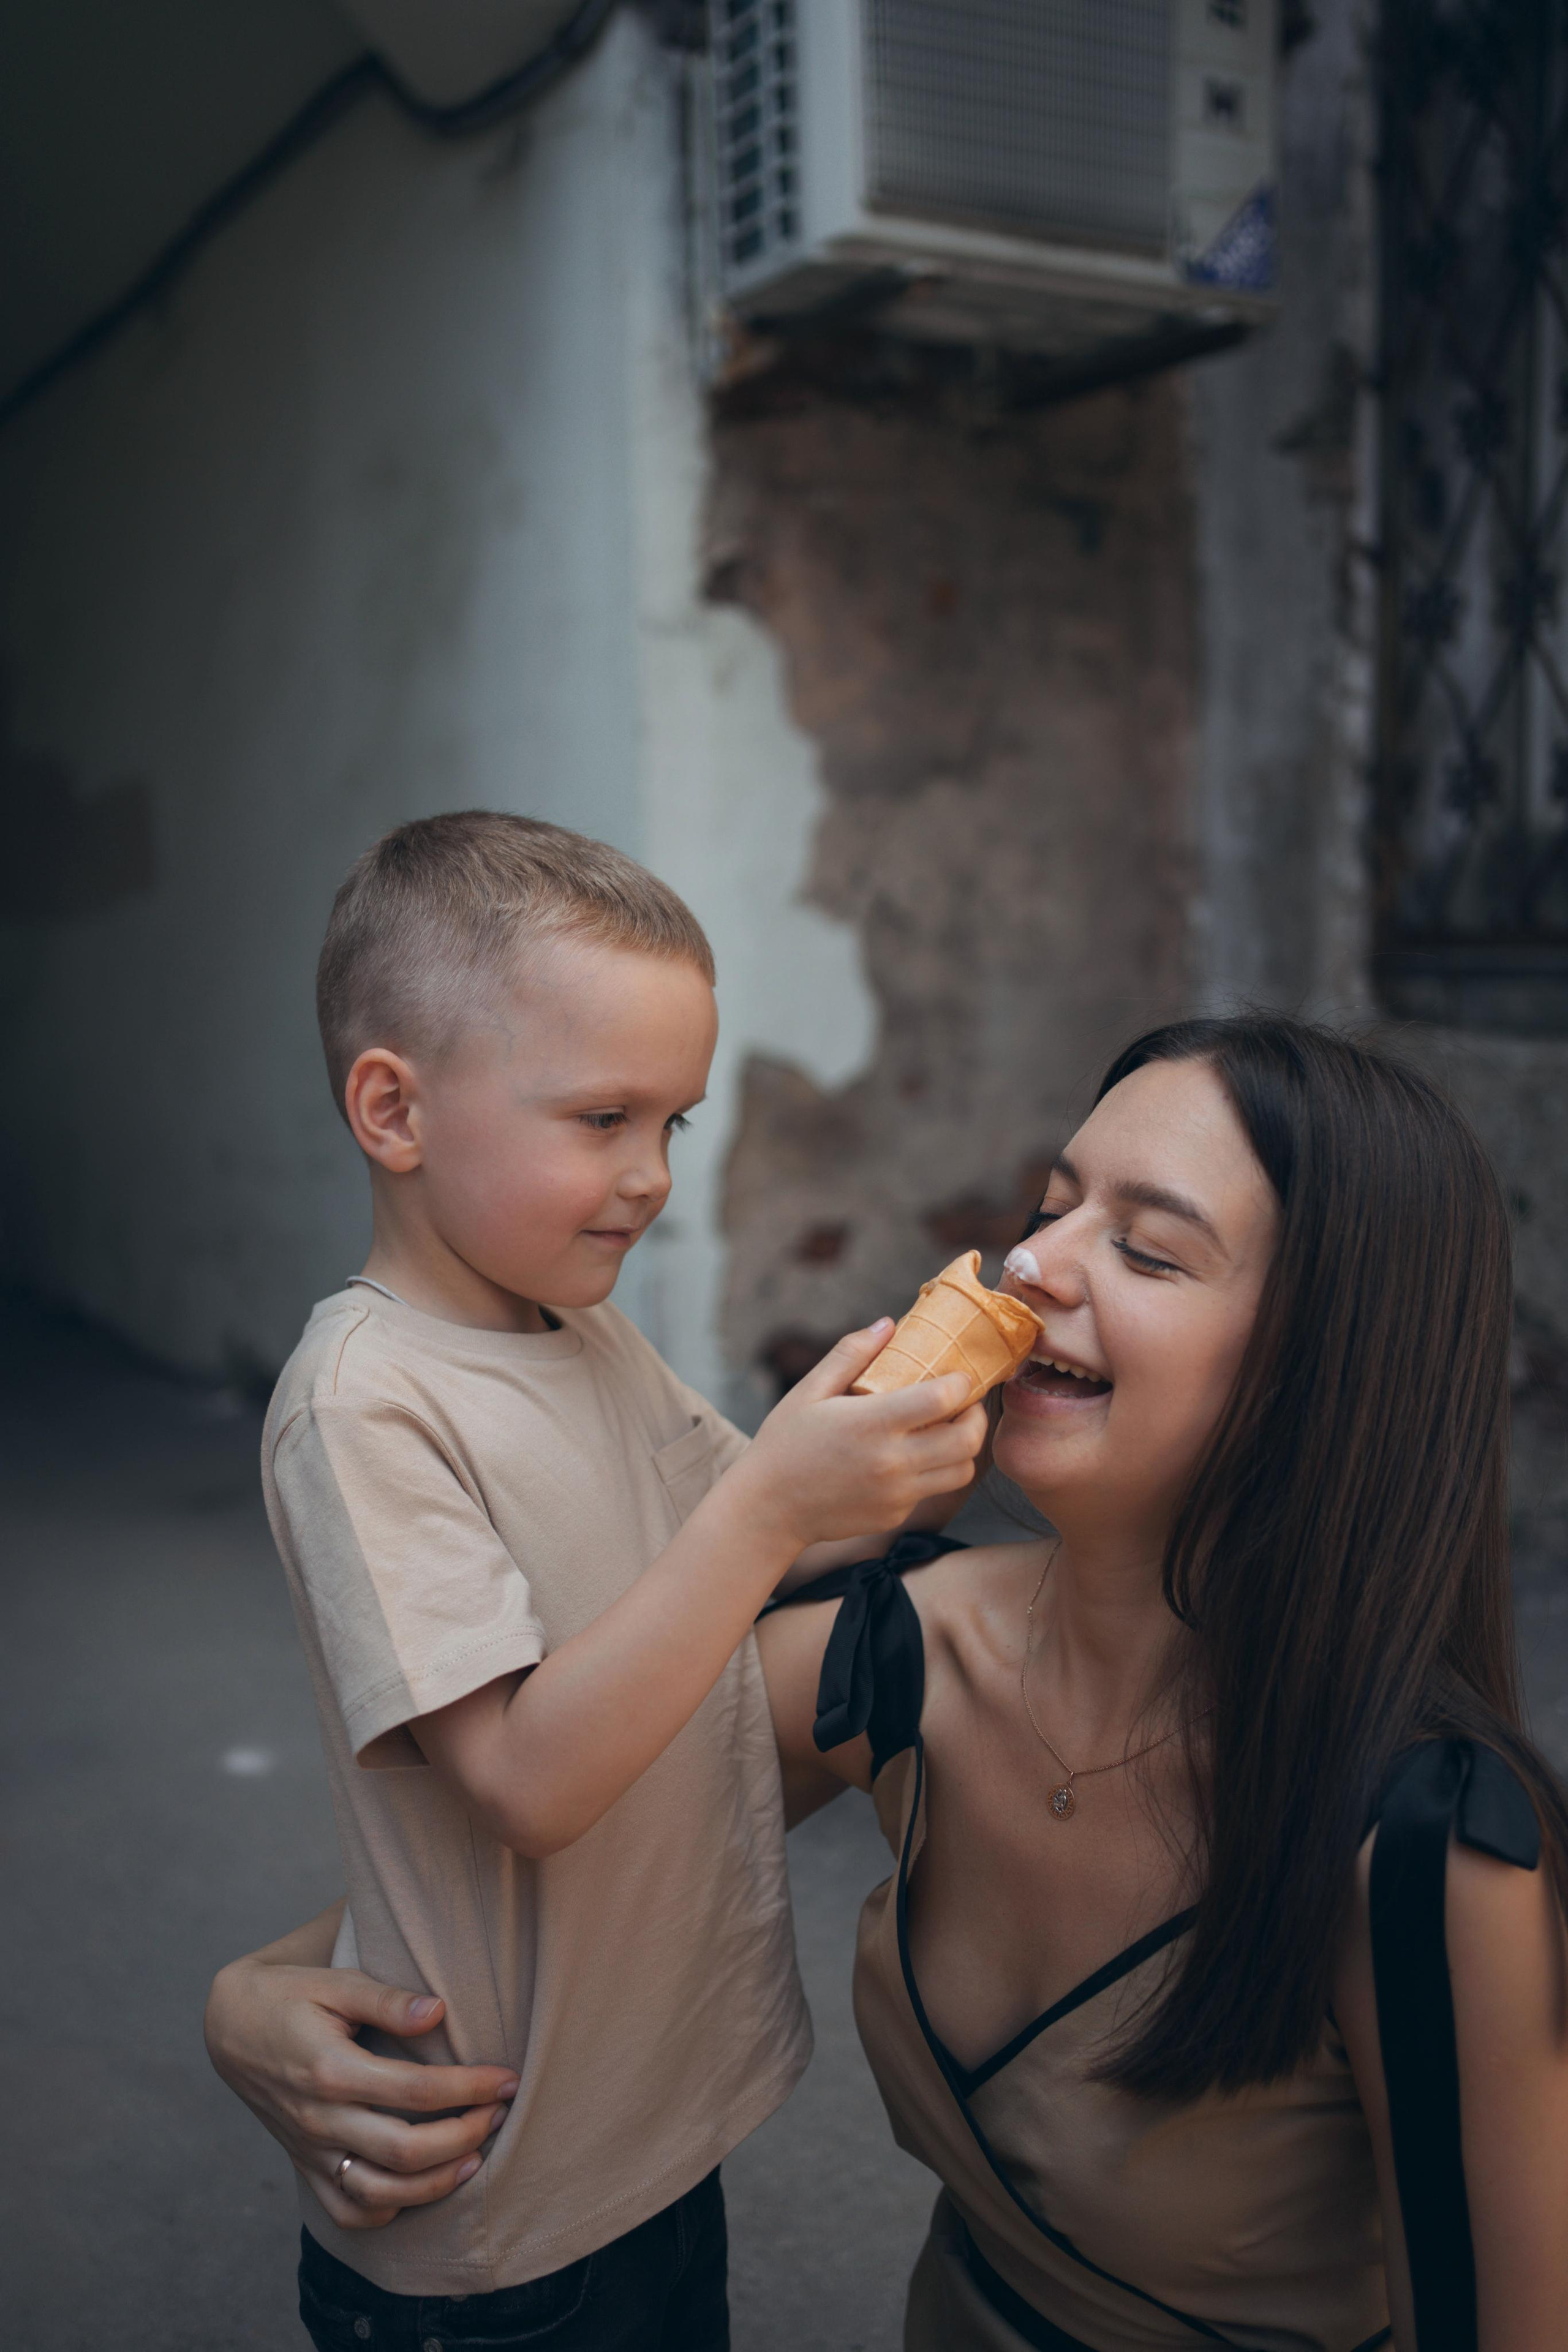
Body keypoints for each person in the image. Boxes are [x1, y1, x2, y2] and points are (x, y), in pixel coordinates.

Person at [210, 1016, 1568, 2350]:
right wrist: (257, 2001)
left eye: (1146, 1249)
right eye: (1050, 1206)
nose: (1031, 1262)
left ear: (1322, 1373)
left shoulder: (1426, 1849)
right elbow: (558, 1820)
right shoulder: (902, 1654)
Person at [232, 809, 986, 2352]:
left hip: (639, 2137)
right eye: (600, 1119)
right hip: (500, 2210)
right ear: (394, 1109)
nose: (649, 1179)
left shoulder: (578, 1330)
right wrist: (775, 1507)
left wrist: (881, 1443)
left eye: (675, 1125)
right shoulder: (364, 1403)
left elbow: (743, 1533)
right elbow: (519, 1773)